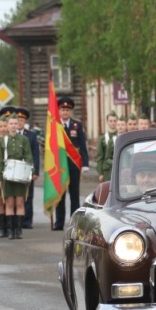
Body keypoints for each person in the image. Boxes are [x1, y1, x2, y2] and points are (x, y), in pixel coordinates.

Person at [52, 96, 90, 230]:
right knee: (60, 195)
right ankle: (59, 222)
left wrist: (85, 163)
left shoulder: (77, 125)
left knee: (74, 194)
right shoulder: (55, 126)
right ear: (59, 111)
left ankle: (75, 223)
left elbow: (83, 145)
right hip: (60, 166)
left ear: (71, 111)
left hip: (74, 165)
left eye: (67, 110)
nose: (65, 112)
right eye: (62, 109)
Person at [0, 115, 33, 239]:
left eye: (15, 123)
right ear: (7, 125)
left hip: (20, 175)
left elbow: (28, 156)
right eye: (11, 123)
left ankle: (18, 230)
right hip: (7, 175)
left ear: (18, 125)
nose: (13, 126)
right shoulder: (3, 141)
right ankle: (10, 230)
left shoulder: (24, 140)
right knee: (10, 202)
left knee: (20, 202)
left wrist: (29, 174)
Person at [15, 108, 40, 229]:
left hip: (27, 169)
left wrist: (35, 171)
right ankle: (16, 220)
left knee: (28, 196)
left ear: (25, 122)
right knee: (15, 195)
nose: (19, 122)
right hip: (14, 170)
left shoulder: (31, 135)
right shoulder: (11, 134)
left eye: (22, 120)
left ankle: (27, 221)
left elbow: (35, 154)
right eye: (18, 120)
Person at [97, 111, 119, 183]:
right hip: (107, 170)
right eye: (111, 121)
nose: (113, 123)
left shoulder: (120, 136)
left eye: (115, 121)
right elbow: (100, 156)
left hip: (118, 168)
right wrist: (100, 173)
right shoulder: (102, 138)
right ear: (107, 122)